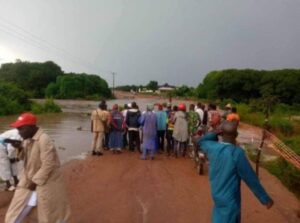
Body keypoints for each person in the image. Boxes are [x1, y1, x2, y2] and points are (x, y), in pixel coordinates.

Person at [195, 121, 273, 223]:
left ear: (221, 133)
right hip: (230, 201)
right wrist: (265, 199)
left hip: (217, 196)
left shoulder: (212, 147)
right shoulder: (237, 153)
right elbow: (251, 179)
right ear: (236, 135)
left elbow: (200, 141)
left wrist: (215, 132)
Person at [5, 112, 70, 223]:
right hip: (29, 179)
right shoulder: (27, 139)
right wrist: (19, 147)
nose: (19, 132)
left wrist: (35, 182)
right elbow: (23, 157)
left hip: (44, 181)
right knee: (17, 209)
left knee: (49, 212)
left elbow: (49, 164)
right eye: (18, 129)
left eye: (21, 129)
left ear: (31, 127)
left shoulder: (44, 139)